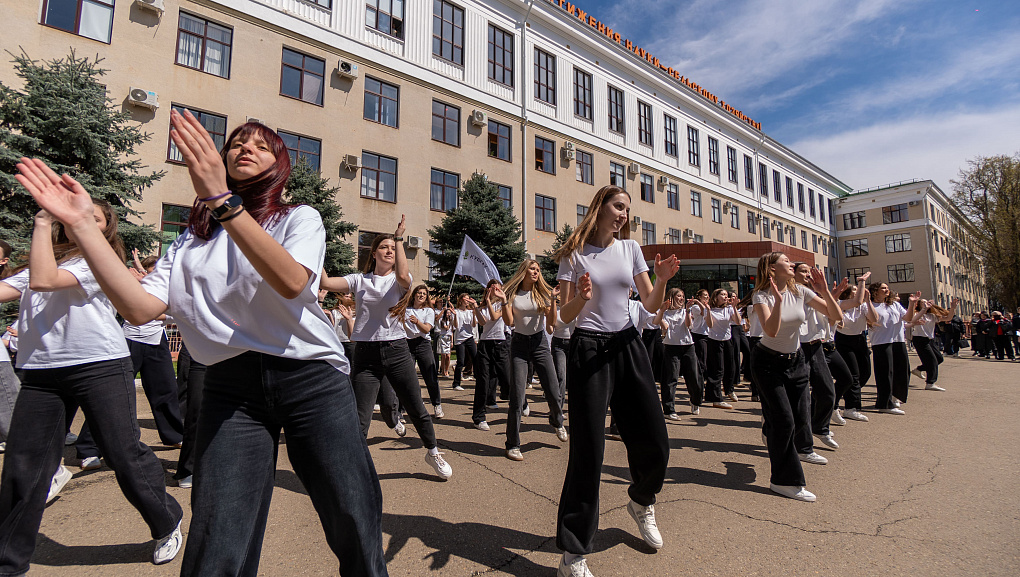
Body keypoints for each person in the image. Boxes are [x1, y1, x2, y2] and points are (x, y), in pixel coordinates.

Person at [19, 115, 389, 575]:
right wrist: (84, 227)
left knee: (351, 515)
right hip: (229, 389)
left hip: (309, 379)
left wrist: (222, 201)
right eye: (235, 143)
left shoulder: (298, 217)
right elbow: (138, 307)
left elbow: (294, 282)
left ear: (280, 164)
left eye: (261, 145)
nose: (244, 149)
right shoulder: (191, 242)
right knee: (217, 536)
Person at [0, 191, 184, 573]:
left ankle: (167, 521)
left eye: (94, 217)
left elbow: (44, 281)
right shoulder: (50, 256)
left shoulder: (97, 261)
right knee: (23, 464)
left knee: (123, 454)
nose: (81, 220)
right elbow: (12, 287)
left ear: (105, 227)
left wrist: (40, 221)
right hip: (40, 372)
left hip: (99, 365)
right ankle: (8, 560)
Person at [553, 185, 678, 577]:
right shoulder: (574, 253)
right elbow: (564, 315)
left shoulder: (631, 249)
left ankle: (641, 501)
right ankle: (573, 553)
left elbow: (652, 304)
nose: (623, 213)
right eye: (618, 205)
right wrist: (582, 297)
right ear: (601, 207)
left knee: (655, 438)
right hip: (588, 350)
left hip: (628, 344)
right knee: (588, 451)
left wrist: (659, 280)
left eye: (627, 209)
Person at [321, 225, 453, 481]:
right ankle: (350, 467)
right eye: (384, 247)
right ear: (374, 253)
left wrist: (400, 238)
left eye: (393, 248)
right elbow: (326, 282)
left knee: (416, 408)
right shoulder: (360, 280)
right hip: (366, 355)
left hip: (397, 351)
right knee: (360, 417)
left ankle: (433, 452)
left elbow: (403, 274)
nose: (390, 250)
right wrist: (316, 245)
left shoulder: (400, 281)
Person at [749, 252, 841, 502]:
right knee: (785, 423)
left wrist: (823, 290)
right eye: (786, 262)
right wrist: (778, 302)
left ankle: (771, 426)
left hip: (796, 361)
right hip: (768, 363)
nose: (792, 265)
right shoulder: (762, 296)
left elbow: (836, 317)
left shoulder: (801, 291)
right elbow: (771, 329)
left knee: (801, 418)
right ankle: (784, 481)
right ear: (771, 269)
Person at [502, 259, 569, 461]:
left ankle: (556, 421)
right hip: (520, 345)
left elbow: (552, 323)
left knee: (554, 390)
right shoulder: (513, 294)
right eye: (532, 268)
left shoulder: (542, 294)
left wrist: (553, 300)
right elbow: (510, 322)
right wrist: (504, 301)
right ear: (524, 271)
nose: (536, 272)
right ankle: (512, 444)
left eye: (538, 270)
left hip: (540, 343)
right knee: (517, 396)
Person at [792, 263, 847, 458]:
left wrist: (826, 292)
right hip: (796, 347)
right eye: (803, 271)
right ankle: (803, 446)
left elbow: (835, 317)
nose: (807, 274)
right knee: (801, 399)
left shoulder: (813, 294)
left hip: (816, 346)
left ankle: (820, 428)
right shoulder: (790, 292)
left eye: (809, 271)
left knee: (827, 391)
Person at [833, 273, 877, 423]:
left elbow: (874, 319)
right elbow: (856, 301)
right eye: (855, 290)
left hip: (860, 340)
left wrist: (868, 301)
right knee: (854, 375)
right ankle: (851, 408)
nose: (859, 291)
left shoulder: (863, 305)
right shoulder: (840, 303)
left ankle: (834, 400)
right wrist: (862, 281)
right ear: (848, 293)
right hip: (844, 342)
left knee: (865, 373)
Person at [471, 280, 512, 432]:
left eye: (497, 287)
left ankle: (521, 402)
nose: (494, 289)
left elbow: (495, 317)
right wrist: (476, 308)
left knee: (507, 378)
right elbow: (483, 322)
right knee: (483, 381)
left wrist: (490, 301)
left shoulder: (503, 303)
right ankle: (479, 417)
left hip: (501, 344)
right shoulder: (484, 306)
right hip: (485, 344)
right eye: (491, 287)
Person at [869, 284, 918, 414]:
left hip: (898, 340)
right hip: (881, 342)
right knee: (885, 373)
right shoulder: (870, 305)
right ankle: (884, 404)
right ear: (875, 292)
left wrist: (912, 304)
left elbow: (908, 318)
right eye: (883, 288)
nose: (887, 290)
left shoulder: (894, 305)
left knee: (903, 370)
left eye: (887, 288)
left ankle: (896, 397)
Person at [397, 284, 443, 418]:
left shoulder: (428, 311)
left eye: (424, 293)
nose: (421, 295)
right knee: (405, 379)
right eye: (419, 293)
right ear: (414, 295)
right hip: (407, 344)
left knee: (430, 376)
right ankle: (401, 410)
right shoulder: (405, 309)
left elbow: (427, 329)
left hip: (423, 344)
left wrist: (417, 321)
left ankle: (437, 405)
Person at [659, 288, 703, 418]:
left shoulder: (685, 311)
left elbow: (689, 326)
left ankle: (695, 401)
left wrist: (688, 311)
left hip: (688, 346)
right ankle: (669, 409)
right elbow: (664, 327)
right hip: (671, 346)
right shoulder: (665, 313)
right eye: (679, 296)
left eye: (683, 296)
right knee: (671, 378)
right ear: (671, 297)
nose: (682, 298)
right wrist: (661, 312)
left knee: (694, 376)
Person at [704, 289, 741, 409]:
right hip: (714, 341)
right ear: (716, 296)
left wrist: (734, 307)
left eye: (726, 295)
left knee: (731, 367)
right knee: (717, 369)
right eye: (723, 294)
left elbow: (738, 321)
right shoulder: (709, 309)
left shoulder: (729, 309)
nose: (726, 297)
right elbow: (710, 325)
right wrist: (708, 311)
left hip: (727, 340)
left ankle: (729, 390)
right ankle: (716, 398)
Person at [910, 297, 958, 389]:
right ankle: (930, 383)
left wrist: (952, 308)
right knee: (932, 360)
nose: (925, 304)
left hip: (930, 340)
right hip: (919, 339)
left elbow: (948, 317)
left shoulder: (932, 315)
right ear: (919, 305)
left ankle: (918, 369)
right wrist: (918, 307)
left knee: (939, 359)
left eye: (926, 302)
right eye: (923, 303)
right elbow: (912, 319)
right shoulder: (917, 314)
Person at [451, 293, 477, 391]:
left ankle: (478, 379)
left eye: (468, 299)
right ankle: (456, 383)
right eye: (465, 299)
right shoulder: (456, 312)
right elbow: (456, 326)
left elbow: (474, 325)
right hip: (460, 339)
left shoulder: (470, 312)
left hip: (469, 337)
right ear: (461, 300)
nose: (467, 301)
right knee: (460, 362)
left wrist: (474, 315)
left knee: (475, 358)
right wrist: (454, 316)